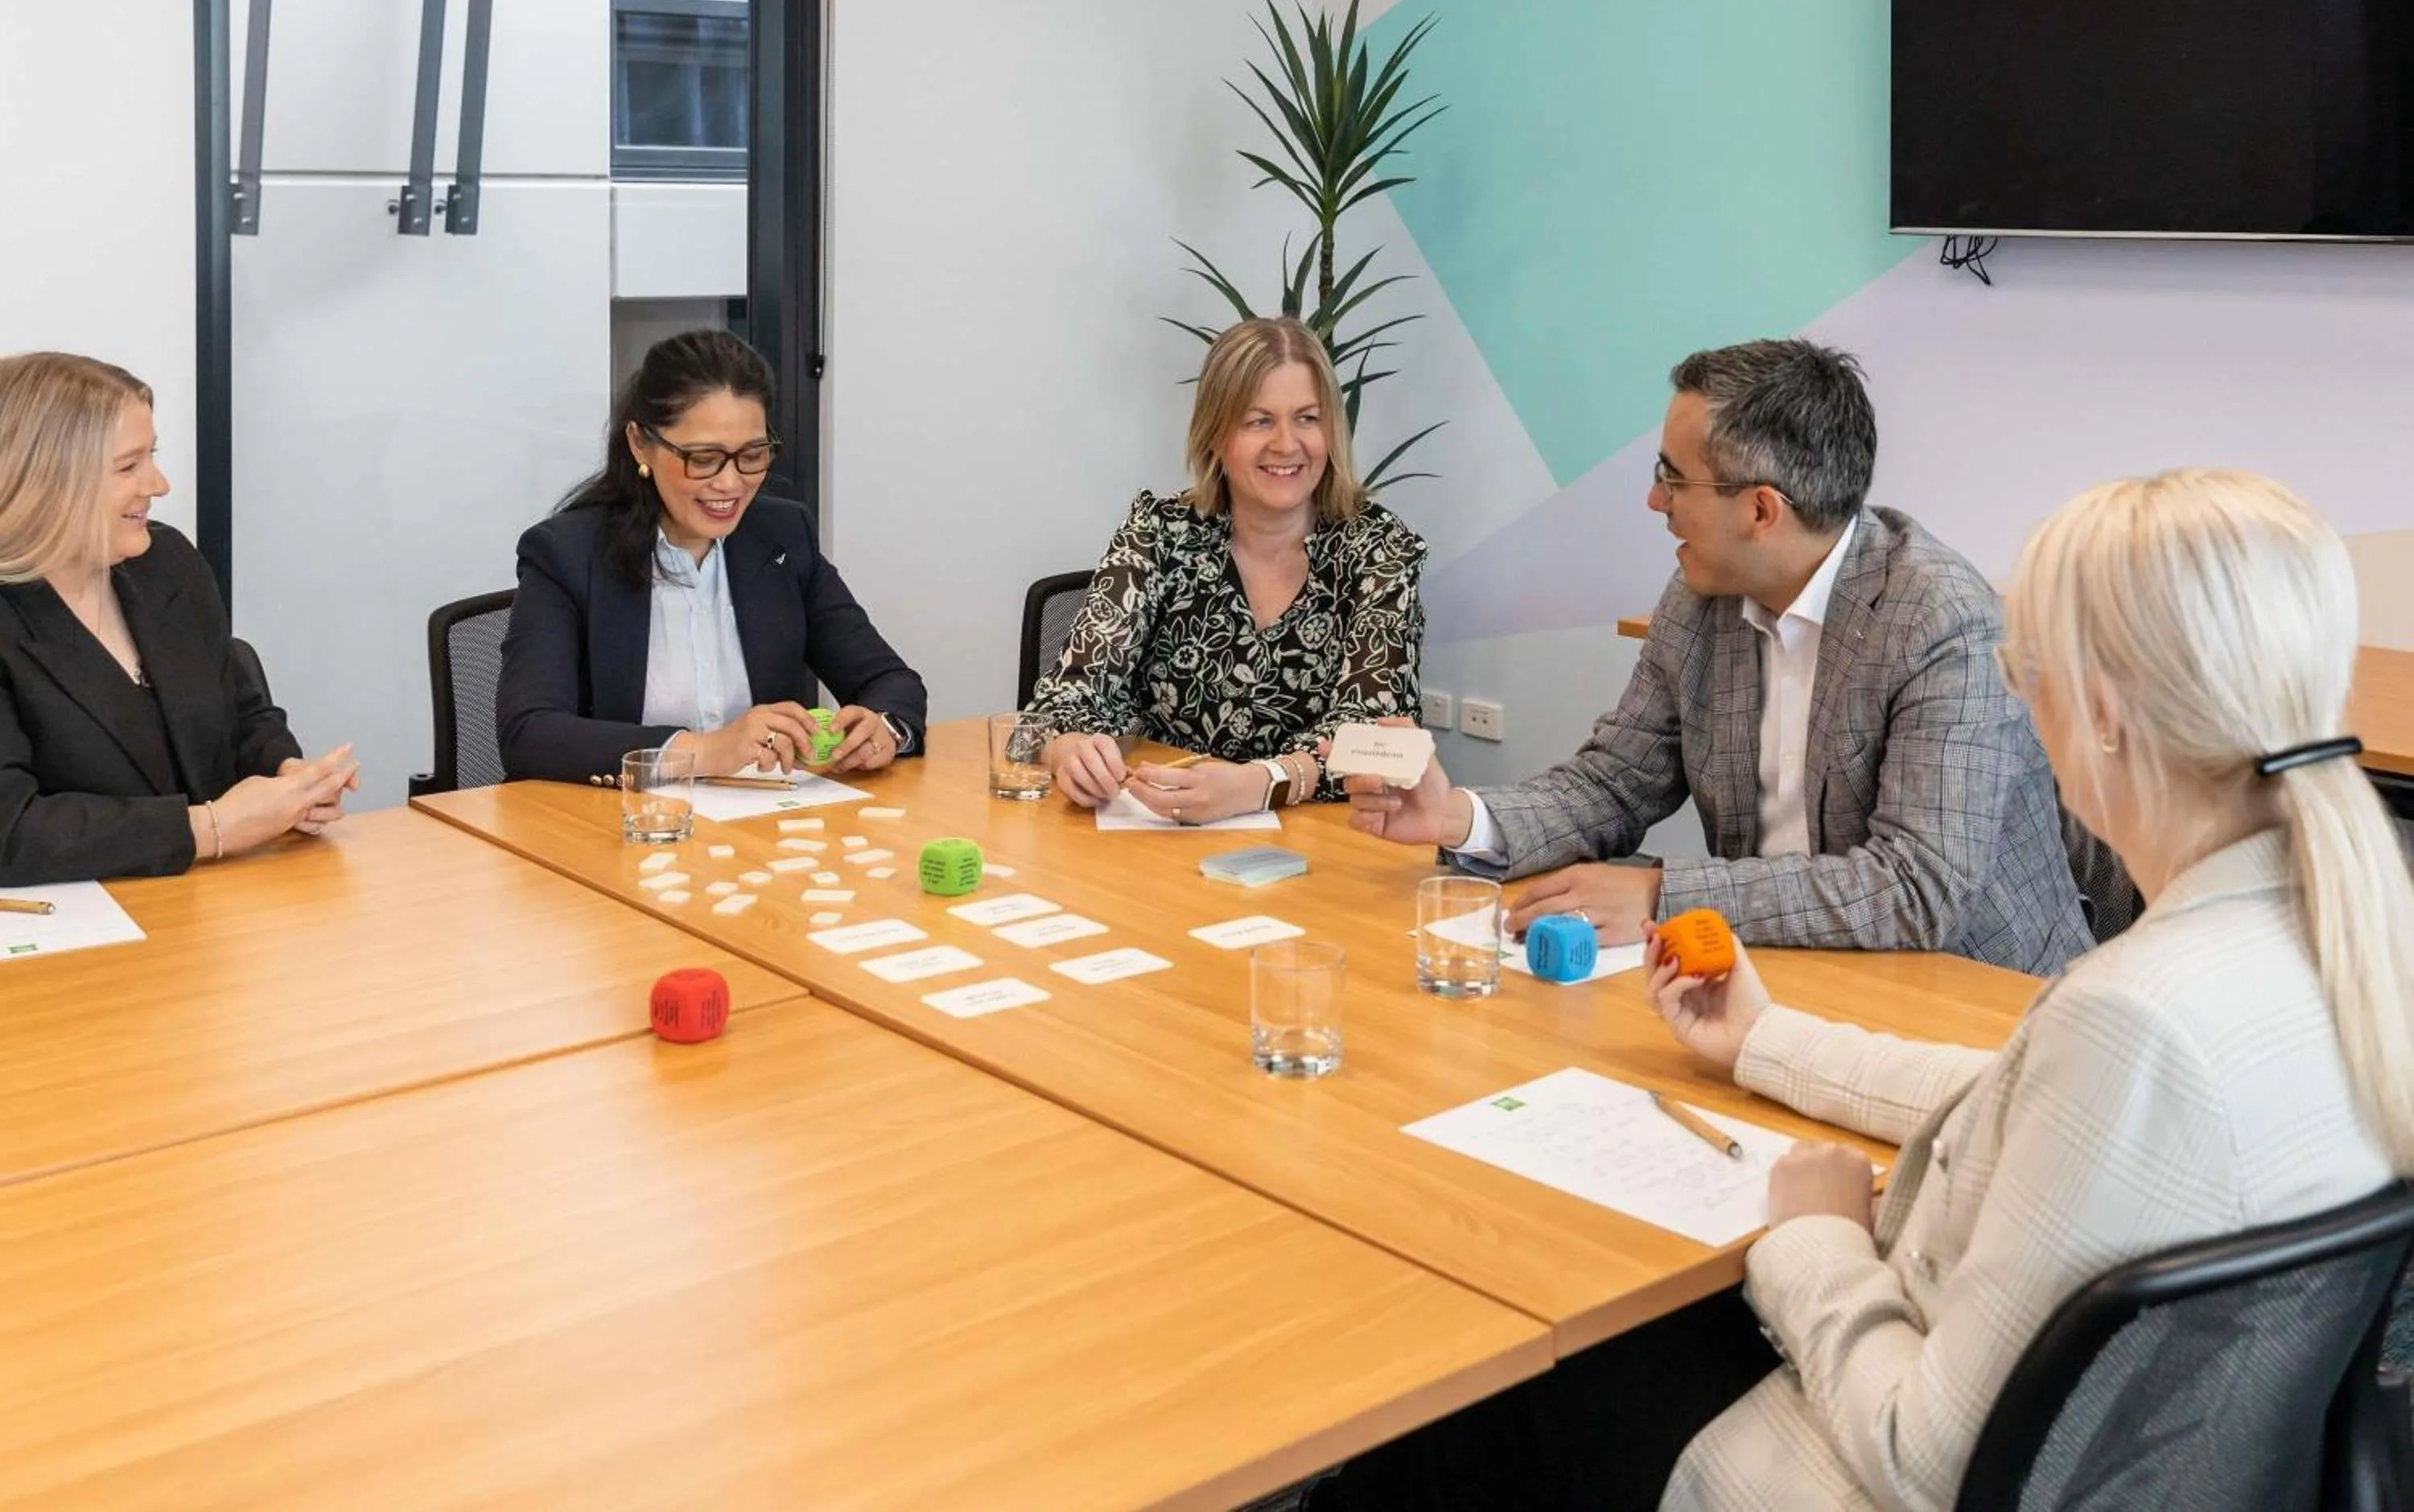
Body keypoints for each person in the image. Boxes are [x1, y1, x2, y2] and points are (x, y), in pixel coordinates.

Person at [1319, 468, 2414, 1510]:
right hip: (2151, 1469)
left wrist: (1811, 1237)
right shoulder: (2324, 935)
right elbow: (2024, 1091)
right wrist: (1762, 1037)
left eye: (2029, 677)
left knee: (1447, 1412)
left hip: (1848, 1471)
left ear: (2108, 711)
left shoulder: (2133, 1018)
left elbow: (1920, 1454)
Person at [1346, 338, 2089, 976]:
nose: (1652, 500)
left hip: (1979, 1002)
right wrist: (1459, 818)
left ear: (1762, 510)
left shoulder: (1941, 621)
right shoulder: (1702, 593)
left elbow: (1916, 890)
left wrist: (1660, 895)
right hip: (1771, 969)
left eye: (1672, 477)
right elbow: (1615, 781)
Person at [1021, 316, 1426, 821]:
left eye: (1307, 418)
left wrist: (1264, 783)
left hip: (1323, 845)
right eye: (1259, 421)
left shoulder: (1378, 549)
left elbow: (1378, 737)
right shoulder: (1160, 531)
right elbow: (1061, 701)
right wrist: (1069, 750)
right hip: (1160, 835)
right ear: (1216, 434)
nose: (1286, 444)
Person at [498, 330, 926, 786]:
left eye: (752, 454)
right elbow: (530, 732)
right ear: (641, 444)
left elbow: (891, 682)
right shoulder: (567, 554)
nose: (730, 483)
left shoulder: (782, 537)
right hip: (622, 828)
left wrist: (883, 729)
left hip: (760, 825)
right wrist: (703, 751)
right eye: (703, 459)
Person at [0, 352, 356, 883]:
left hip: (212, 903)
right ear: (48, 481)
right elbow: (14, 832)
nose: (159, 484)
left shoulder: (168, 565)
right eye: (128, 466)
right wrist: (214, 828)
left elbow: (240, 715)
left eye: (152, 456)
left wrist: (286, 775)